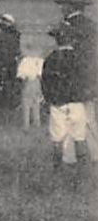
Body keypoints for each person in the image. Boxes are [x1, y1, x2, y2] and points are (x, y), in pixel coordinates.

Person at [41, 29, 91, 165]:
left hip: (58, 102)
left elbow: (45, 81)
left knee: (57, 138)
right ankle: (81, 168)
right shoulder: (79, 58)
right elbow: (87, 79)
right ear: (72, 40)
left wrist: (48, 99)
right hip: (76, 101)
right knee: (79, 137)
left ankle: (57, 168)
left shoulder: (51, 58)